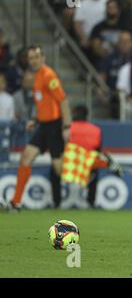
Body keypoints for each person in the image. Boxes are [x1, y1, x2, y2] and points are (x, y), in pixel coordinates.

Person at [7, 46, 71, 211]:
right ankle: (16, 202)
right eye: (31, 58)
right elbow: (44, 103)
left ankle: (98, 164)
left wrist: (66, 126)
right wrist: (35, 120)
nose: (34, 60)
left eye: (36, 56)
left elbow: (63, 101)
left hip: (55, 125)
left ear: (43, 58)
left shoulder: (49, 75)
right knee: (26, 157)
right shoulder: (37, 77)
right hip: (43, 126)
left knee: (60, 169)